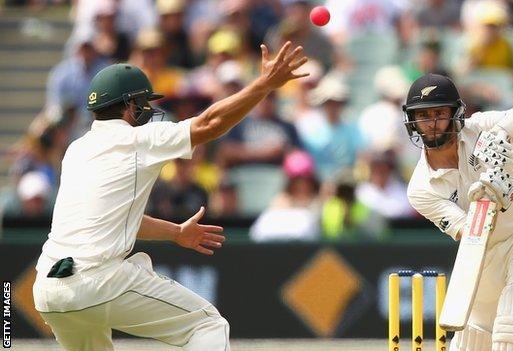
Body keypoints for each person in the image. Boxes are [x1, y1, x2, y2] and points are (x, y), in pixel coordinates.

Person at [32, 41, 308, 351]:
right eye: (142, 103)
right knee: (206, 325)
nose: (147, 111)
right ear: (129, 105)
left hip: (48, 289)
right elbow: (210, 123)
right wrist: (265, 84)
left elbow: (116, 217)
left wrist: (175, 232)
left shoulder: (76, 150)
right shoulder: (140, 139)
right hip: (98, 282)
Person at [404, 73, 513, 350]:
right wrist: (488, 195)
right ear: (413, 121)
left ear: (455, 114)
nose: (431, 123)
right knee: (472, 342)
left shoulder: (481, 127)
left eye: (439, 113)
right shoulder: (420, 189)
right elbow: (469, 233)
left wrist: (504, 134)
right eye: (423, 115)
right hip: (483, 256)